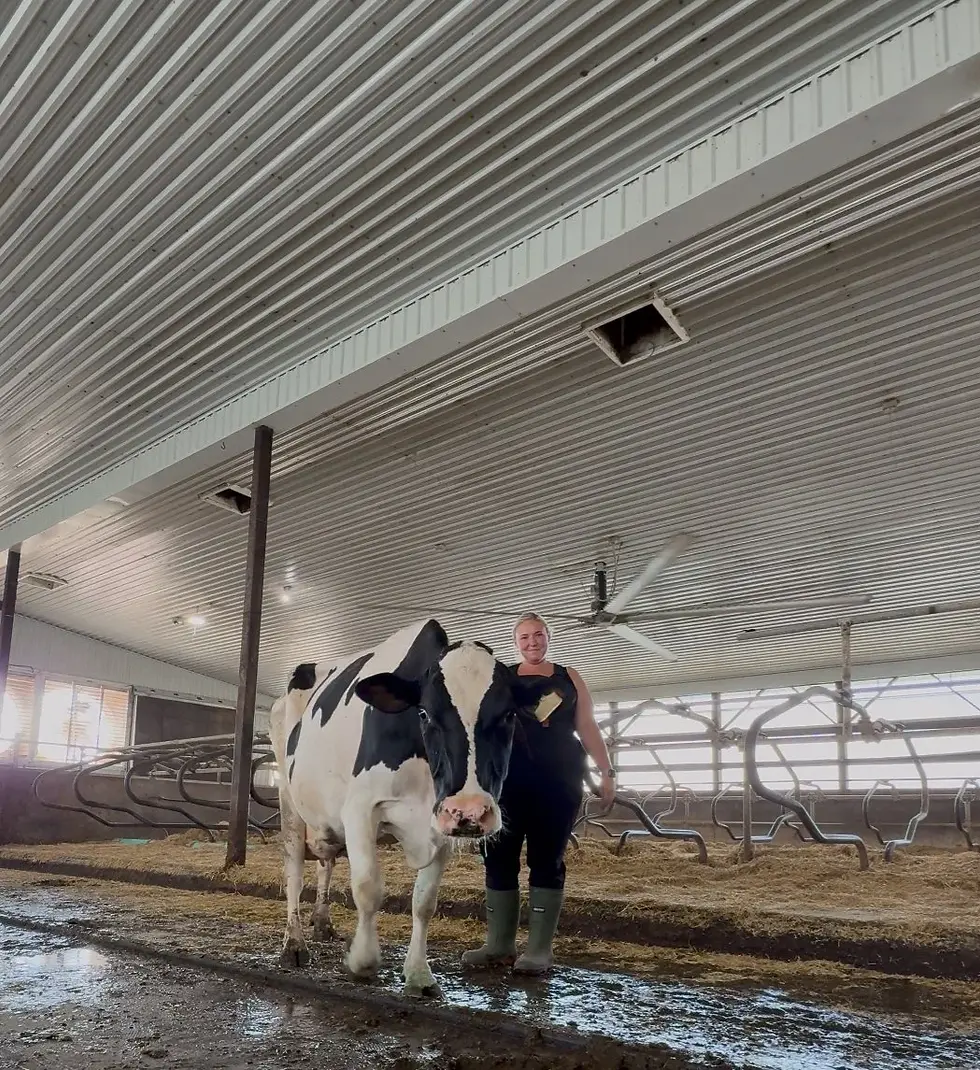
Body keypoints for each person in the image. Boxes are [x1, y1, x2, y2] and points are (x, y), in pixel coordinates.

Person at [462, 611, 616, 975]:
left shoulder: (568, 677)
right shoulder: (501, 679)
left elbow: (587, 725)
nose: (533, 642)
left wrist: (606, 771)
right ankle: (499, 945)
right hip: (506, 782)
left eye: (539, 635)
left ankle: (539, 950)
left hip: (559, 779)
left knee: (547, 858)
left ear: (548, 638)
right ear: (515, 642)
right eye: (525, 637)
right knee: (498, 858)